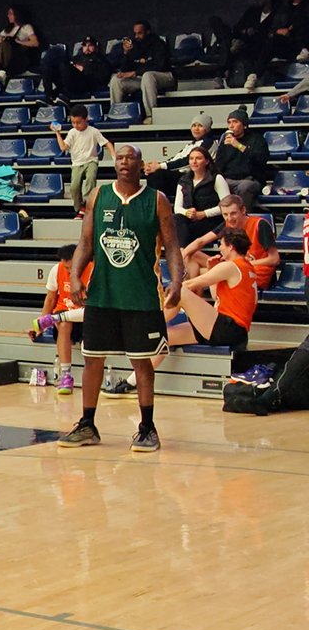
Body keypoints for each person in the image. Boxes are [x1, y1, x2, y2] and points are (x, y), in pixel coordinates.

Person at [59, 144, 183, 454]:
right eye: (121, 157)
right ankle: (87, 424)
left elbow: (172, 246)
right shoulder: (99, 196)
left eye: (131, 158)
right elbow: (85, 242)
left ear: (142, 165)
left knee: (142, 362)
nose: (125, 162)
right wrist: (75, 276)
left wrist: (177, 281)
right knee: (92, 359)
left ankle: (147, 427)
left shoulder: (157, 201)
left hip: (141, 296)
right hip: (103, 293)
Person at [164, 227, 256, 371]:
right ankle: (132, 381)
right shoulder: (247, 267)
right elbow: (216, 297)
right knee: (165, 336)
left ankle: (153, 321)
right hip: (231, 329)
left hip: (227, 328)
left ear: (231, 247)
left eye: (221, 244)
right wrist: (212, 269)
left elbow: (189, 284)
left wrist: (165, 296)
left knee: (180, 291)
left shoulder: (230, 266)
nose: (219, 248)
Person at [30, 243, 93, 390]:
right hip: (63, 314)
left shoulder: (92, 270)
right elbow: (50, 299)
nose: (69, 271)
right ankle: (66, 376)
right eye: (66, 268)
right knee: (64, 325)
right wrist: (40, 323)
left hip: (84, 315)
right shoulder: (56, 270)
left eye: (72, 267)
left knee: (88, 318)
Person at [183, 193, 280, 288]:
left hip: (255, 272)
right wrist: (182, 255)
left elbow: (274, 259)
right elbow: (201, 241)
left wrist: (245, 263)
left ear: (243, 210)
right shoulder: (228, 223)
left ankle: (186, 296)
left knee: (198, 273)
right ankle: (192, 296)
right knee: (192, 256)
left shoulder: (260, 225)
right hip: (232, 268)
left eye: (233, 213)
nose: (229, 218)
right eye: (225, 214)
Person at [53, 104, 113, 216]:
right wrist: (57, 133)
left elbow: (107, 143)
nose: (76, 125)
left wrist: (114, 155)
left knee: (90, 179)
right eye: (73, 122)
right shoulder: (72, 132)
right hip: (76, 163)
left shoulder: (93, 131)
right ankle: (79, 207)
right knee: (74, 187)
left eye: (79, 122)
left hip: (91, 160)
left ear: (86, 119)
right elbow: (63, 147)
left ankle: (87, 205)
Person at [108, 21, 176, 120]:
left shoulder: (158, 43)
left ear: (147, 32)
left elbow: (159, 66)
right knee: (116, 79)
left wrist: (135, 72)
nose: (136, 36)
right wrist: (126, 53)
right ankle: (116, 114)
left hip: (165, 76)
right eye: (135, 33)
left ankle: (151, 115)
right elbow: (124, 69)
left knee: (147, 76)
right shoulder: (133, 45)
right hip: (142, 80)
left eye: (139, 33)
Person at [143, 112, 215, 199]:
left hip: (192, 176)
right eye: (194, 125)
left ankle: (157, 205)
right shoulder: (190, 145)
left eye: (200, 126)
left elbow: (187, 161)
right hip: (180, 174)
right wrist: (156, 165)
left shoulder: (208, 143)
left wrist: (160, 166)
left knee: (157, 175)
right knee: (150, 172)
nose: (196, 128)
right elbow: (176, 158)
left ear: (206, 129)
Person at [171, 146, 229, 247]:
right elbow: (177, 208)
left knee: (186, 231)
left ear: (206, 161)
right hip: (190, 219)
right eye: (191, 158)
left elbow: (227, 206)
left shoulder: (216, 178)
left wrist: (204, 214)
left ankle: (183, 252)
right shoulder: (183, 180)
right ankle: (182, 251)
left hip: (211, 220)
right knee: (177, 218)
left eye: (198, 158)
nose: (194, 161)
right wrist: (187, 212)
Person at [213, 107, 269, 211]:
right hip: (229, 179)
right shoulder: (225, 141)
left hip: (250, 179)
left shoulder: (257, 139)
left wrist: (238, 145)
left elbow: (260, 160)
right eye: (229, 122)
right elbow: (219, 164)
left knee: (245, 187)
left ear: (244, 125)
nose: (231, 125)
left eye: (235, 122)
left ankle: (241, 216)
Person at [41, 35, 111, 103]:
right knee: (47, 66)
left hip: (85, 84)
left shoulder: (101, 60)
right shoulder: (75, 58)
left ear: (95, 47)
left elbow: (102, 79)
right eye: (85, 45)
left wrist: (83, 70)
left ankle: (66, 94)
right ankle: (49, 96)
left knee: (62, 63)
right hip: (68, 82)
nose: (87, 48)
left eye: (90, 45)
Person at [0, 6, 40, 80]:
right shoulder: (7, 29)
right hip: (3, 54)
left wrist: (19, 41)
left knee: (6, 44)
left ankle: (2, 68)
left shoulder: (26, 27)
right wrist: (1, 39)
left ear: (17, 15)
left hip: (17, 58)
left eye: (10, 14)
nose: (8, 16)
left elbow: (35, 43)